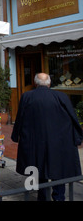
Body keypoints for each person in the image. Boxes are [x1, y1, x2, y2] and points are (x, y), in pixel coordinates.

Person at [11, 73, 83, 201]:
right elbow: (73, 118)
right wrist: (77, 138)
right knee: (59, 170)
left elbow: (20, 118)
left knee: (39, 169)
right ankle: (59, 197)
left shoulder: (27, 96)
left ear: (35, 83)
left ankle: (42, 197)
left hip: (36, 142)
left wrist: (16, 136)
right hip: (59, 141)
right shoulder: (61, 96)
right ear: (49, 83)